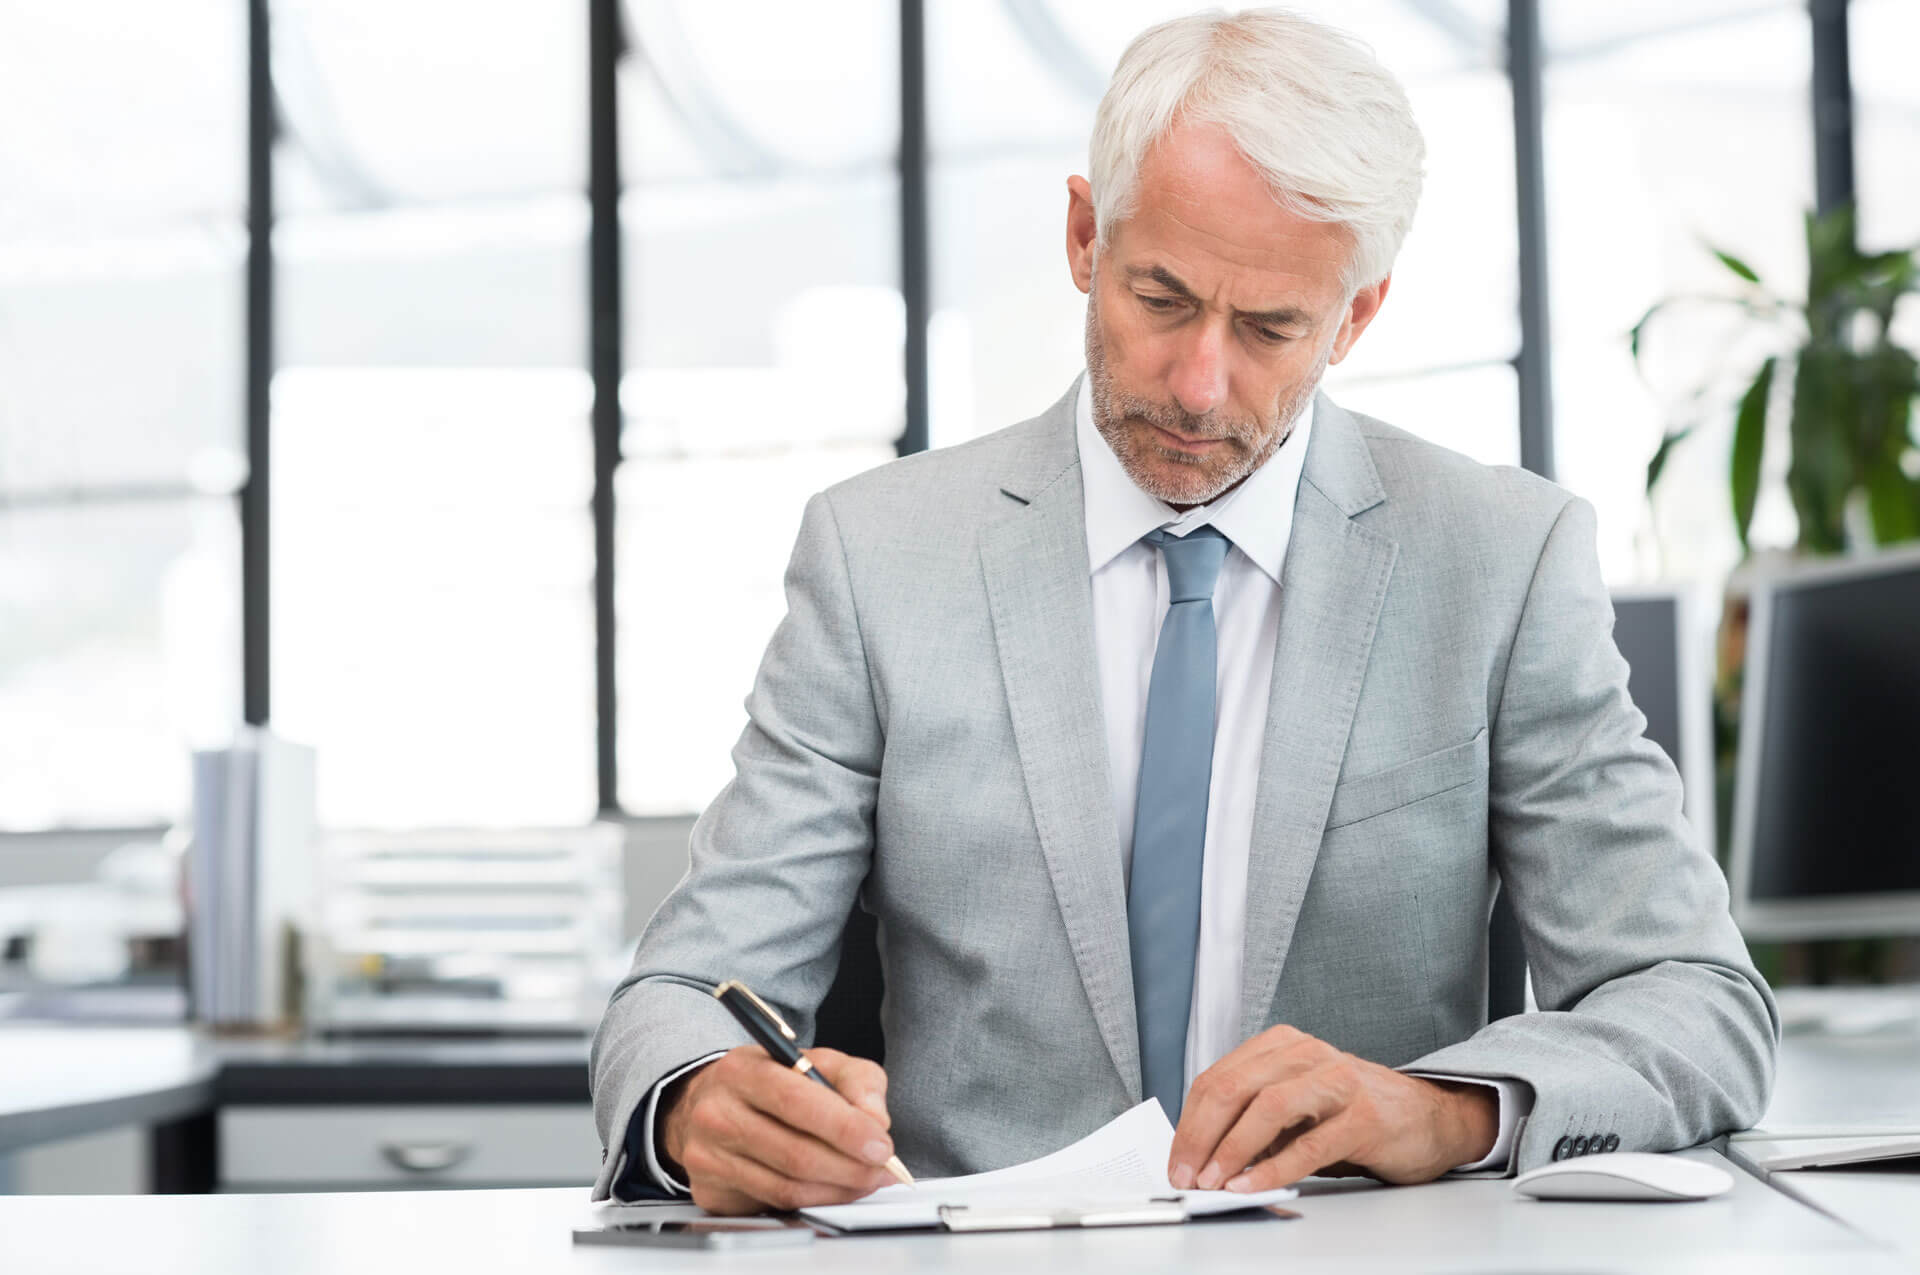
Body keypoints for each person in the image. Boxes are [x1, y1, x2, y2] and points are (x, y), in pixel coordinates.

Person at [589, 8, 1777, 1213]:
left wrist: (1440, 1109)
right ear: (1084, 237)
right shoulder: (878, 556)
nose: (1200, 384)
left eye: (1271, 328)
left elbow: (1697, 1003)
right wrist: (696, 1102)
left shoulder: (1499, 560)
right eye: (1161, 298)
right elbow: (683, 992)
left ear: (1355, 317)